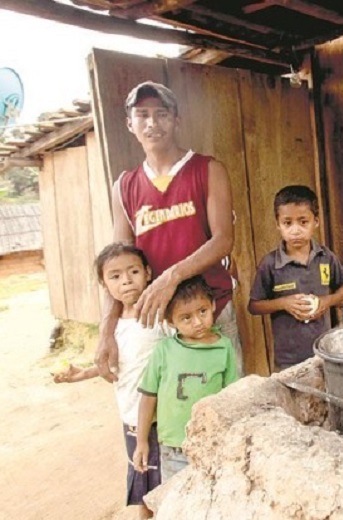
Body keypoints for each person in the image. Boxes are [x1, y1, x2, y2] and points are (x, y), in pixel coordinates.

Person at [94, 80, 242, 382]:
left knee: (229, 405)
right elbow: (117, 265)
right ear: (129, 124)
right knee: (171, 412)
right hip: (158, 318)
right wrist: (107, 329)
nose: (152, 122)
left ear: (176, 120)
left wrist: (171, 277)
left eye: (162, 113)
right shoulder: (124, 186)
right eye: (142, 114)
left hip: (210, 309)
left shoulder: (208, 169)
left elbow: (223, 240)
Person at [53, 243, 163, 520]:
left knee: (167, 479)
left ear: (148, 273)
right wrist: (83, 373)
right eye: (115, 276)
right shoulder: (114, 329)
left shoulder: (161, 316)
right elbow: (118, 367)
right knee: (143, 479)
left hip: (164, 415)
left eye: (133, 271)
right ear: (105, 285)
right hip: (131, 416)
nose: (126, 280)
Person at [133, 276, 238, 482]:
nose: (198, 322)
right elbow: (148, 396)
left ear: (213, 305)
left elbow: (231, 395)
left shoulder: (224, 347)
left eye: (203, 311)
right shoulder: (165, 350)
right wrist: (141, 441)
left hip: (212, 443)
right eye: (186, 318)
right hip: (174, 448)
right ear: (170, 322)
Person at [248, 185, 343, 370]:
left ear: (316, 222)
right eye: (288, 223)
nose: (295, 230)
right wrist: (283, 303)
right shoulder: (271, 264)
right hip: (288, 360)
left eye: (303, 222)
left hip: (324, 353)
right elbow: (254, 306)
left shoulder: (326, 258)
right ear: (277, 224)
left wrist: (326, 301)